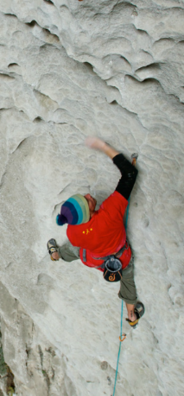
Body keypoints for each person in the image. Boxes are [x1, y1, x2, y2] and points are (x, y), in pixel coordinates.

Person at [47, 137, 144, 327]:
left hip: (93, 258)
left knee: (74, 249)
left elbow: (81, 238)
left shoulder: (73, 231)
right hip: (119, 255)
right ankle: (131, 314)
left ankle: (57, 254)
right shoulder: (110, 213)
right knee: (128, 276)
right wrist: (103, 146)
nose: (90, 195)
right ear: (89, 212)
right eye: (87, 200)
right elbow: (130, 174)